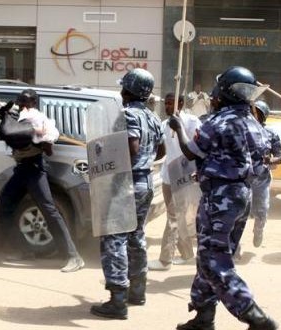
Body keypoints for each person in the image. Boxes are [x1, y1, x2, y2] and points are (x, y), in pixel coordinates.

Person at [169, 66, 278, 330]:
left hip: (220, 198)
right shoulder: (255, 123)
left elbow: (192, 152)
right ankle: (204, 317)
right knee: (210, 255)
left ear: (226, 91)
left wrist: (179, 127)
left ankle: (254, 315)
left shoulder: (218, 122)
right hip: (242, 196)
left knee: (213, 259)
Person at [90, 68, 165, 320]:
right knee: (136, 236)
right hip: (145, 183)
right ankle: (138, 291)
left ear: (129, 90)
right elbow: (162, 150)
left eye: (123, 88)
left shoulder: (128, 114)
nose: (121, 92)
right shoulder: (153, 117)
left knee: (114, 237)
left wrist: (105, 151)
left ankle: (117, 299)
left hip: (126, 183)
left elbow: (131, 148)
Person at [0, 89, 85, 273]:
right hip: (21, 169)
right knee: (2, 208)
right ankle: (23, 250)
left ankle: (73, 256)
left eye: (27, 103)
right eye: (21, 103)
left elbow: (49, 149)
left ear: (35, 104)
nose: (24, 106)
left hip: (34, 168)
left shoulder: (42, 119)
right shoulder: (15, 117)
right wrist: (11, 116)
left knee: (49, 211)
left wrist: (38, 138)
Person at [148, 93, 200, 271]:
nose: (168, 107)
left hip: (184, 177)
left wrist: (180, 128)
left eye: (171, 103)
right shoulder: (164, 124)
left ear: (181, 103)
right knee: (179, 218)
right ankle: (186, 254)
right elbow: (162, 151)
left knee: (173, 217)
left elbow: (197, 148)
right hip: (168, 177)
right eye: (166, 103)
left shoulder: (192, 122)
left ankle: (165, 259)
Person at [249, 100, 281, 248]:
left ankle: (258, 231)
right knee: (240, 214)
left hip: (262, 179)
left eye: (258, 113)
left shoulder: (271, 133)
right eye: (252, 112)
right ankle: (235, 248)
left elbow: (279, 157)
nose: (254, 115)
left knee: (262, 211)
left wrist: (271, 159)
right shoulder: (244, 131)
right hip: (244, 179)